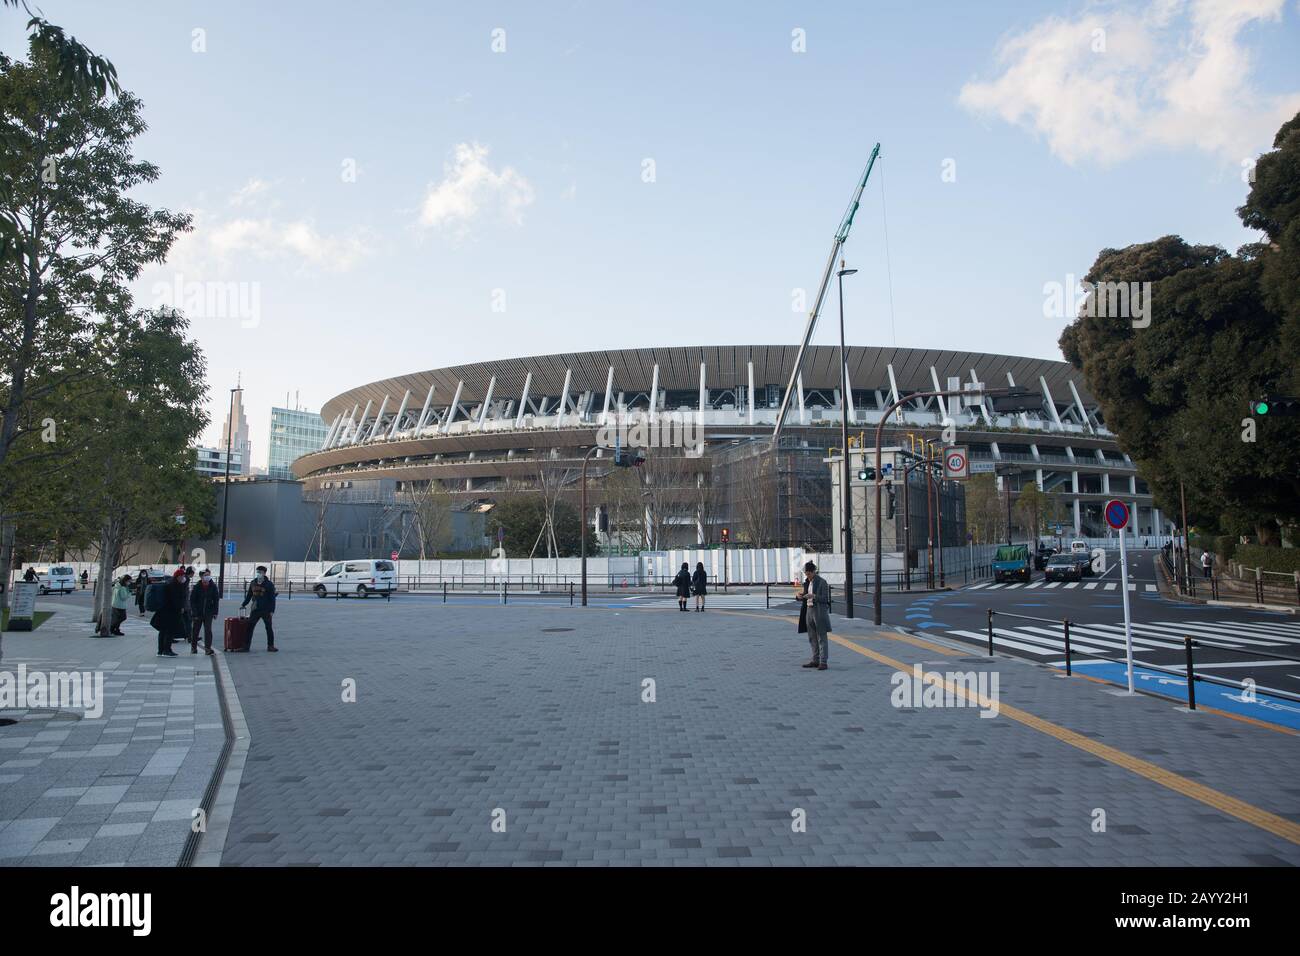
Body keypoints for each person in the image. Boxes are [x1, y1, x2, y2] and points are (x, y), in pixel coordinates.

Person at [797, 561, 831, 671]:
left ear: (813, 572)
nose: (807, 576)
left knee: (821, 637)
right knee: (812, 637)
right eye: (806, 574)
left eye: (808, 574)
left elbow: (825, 599)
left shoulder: (822, 582)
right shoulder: (807, 582)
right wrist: (800, 596)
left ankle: (823, 662)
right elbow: (805, 594)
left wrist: (814, 596)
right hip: (808, 610)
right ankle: (815, 659)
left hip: (819, 611)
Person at [240, 565, 279, 652]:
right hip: (255, 609)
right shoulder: (253, 583)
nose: (258, 574)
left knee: (268, 627)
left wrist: (272, 610)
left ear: (264, 573)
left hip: (266, 609)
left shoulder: (269, 584)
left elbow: (272, 598)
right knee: (249, 627)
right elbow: (249, 595)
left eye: (260, 572)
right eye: (257, 572)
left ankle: (270, 646)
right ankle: (246, 646)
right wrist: (244, 604)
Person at [150, 569, 186, 657]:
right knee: (169, 632)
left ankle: (160, 651)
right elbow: (175, 600)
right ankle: (167, 650)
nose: (183, 578)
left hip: (163, 611)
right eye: (182, 576)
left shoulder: (169, 583)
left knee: (163, 631)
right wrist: (180, 607)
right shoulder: (174, 585)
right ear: (178, 576)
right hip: (171, 612)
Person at [189, 569, 220, 656]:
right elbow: (192, 600)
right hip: (197, 613)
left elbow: (216, 600)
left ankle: (208, 648)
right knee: (195, 630)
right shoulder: (197, 586)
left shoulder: (213, 586)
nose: (207, 576)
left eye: (208, 575)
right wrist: (194, 612)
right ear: (201, 577)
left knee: (208, 630)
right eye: (205, 575)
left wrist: (215, 612)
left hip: (208, 612)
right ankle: (193, 647)